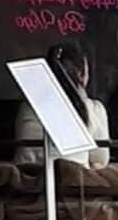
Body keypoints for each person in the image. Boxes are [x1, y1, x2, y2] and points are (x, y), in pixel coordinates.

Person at [14, 40, 110, 168]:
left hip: (28, 183)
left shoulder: (28, 106)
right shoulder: (92, 109)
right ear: (81, 75)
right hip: (74, 182)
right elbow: (100, 158)